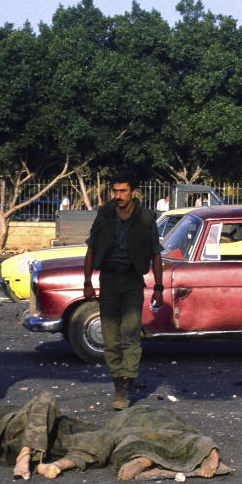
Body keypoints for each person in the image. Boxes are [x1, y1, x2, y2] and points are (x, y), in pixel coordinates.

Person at [0, 391, 223, 481]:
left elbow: (43, 407)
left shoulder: (22, 416)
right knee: (47, 399)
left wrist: (30, 455)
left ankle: (54, 465)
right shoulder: (6, 420)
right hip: (23, 440)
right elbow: (43, 404)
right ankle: (36, 458)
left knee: (108, 439)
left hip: (54, 440)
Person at [84, 170, 163, 410]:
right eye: (115, 191)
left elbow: (156, 253)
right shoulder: (104, 214)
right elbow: (91, 247)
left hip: (132, 281)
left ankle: (125, 384)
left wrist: (159, 287)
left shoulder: (146, 218)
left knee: (130, 334)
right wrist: (87, 282)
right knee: (110, 338)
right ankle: (117, 379)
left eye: (123, 191)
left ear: (133, 192)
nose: (118, 195)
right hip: (108, 280)